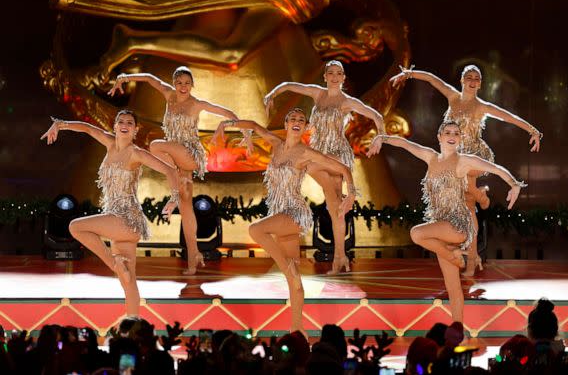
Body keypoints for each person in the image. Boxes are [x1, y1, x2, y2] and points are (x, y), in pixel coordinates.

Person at [214, 108, 356, 336]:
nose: (297, 121)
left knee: (255, 229)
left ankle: (285, 266)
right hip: (280, 214)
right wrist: (227, 124)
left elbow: (343, 168)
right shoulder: (276, 144)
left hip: (295, 213)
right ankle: (298, 328)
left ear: (305, 126)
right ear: (286, 123)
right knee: (294, 280)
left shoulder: (306, 153)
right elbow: (253, 124)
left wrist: (352, 194)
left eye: (302, 119)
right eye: (293, 118)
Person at [390, 65, 542, 276]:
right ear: (462, 80)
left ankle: (480, 203)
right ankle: (473, 251)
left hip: (472, 156)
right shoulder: (453, 97)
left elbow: (509, 117)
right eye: (468, 77)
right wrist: (409, 74)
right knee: (467, 205)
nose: (472, 81)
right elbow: (433, 79)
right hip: (452, 157)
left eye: (476, 78)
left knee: (469, 196)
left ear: (480, 83)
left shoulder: (481, 106)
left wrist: (533, 131)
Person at [367, 121, 525, 321]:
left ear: (460, 139)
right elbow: (406, 144)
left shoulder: (464, 161)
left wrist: (514, 184)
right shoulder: (430, 156)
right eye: (448, 132)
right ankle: (457, 328)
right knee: (453, 287)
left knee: (416, 233)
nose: (452, 135)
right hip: (440, 227)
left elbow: (496, 168)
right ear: (439, 137)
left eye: (456, 133)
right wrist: (383, 137)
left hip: (458, 224)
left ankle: (454, 257)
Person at [108, 66, 251, 274]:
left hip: (190, 155)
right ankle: (194, 259)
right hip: (176, 158)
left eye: (187, 82)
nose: (183, 86)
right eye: (179, 82)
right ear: (174, 84)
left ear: (192, 84)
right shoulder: (168, 95)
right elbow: (149, 77)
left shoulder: (196, 104)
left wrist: (245, 134)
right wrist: (125, 77)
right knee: (186, 209)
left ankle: (174, 185)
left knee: (156, 145)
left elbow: (228, 113)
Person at [41, 110, 179, 316]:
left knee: (75, 226)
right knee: (128, 281)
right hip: (119, 224)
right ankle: (134, 324)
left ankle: (115, 264)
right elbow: (87, 128)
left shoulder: (136, 153)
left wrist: (174, 198)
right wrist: (59, 124)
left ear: (135, 129)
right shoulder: (109, 143)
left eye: (129, 123)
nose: (124, 125)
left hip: (126, 219)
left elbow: (170, 170)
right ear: (114, 126)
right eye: (120, 121)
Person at [264, 60, 385, 274]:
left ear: (344, 77)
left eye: (339, 73)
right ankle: (291, 229)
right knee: (331, 201)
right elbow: (289, 85)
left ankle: (340, 256)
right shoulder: (317, 94)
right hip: (317, 154)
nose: (335, 76)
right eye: (331, 73)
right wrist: (272, 94)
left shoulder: (347, 101)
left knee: (335, 205)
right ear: (325, 76)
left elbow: (376, 116)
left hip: (337, 155)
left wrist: (379, 138)